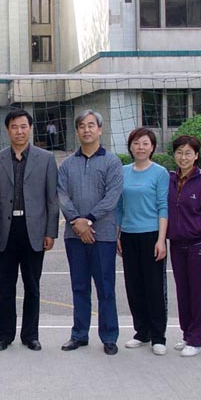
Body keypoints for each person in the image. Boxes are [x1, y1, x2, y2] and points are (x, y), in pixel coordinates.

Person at [0, 109, 59, 352]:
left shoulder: (46, 158)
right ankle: (4, 335)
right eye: (14, 127)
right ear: (7, 130)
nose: (19, 131)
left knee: (32, 286)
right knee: (6, 286)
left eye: (23, 126)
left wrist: (50, 232)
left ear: (30, 128)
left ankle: (31, 335)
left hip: (34, 231)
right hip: (6, 231)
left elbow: (52, 199)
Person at [57, 110, 123, 356]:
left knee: (105, 288)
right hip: (74, 235)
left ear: (100, 129)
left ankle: (109, 336)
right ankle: (79, 334)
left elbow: (112, 197)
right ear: (77, 131)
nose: (87, 130)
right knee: (79, 286)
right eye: (82, 126)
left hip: (103, 236)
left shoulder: (112, 162)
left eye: (91, 125)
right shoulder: (67, 164)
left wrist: (89, 220)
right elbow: (62, 195)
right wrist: (76, 221)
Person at [117, 127, 169, 356]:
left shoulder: (160, 173)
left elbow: (163, 207)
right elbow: (119, 207)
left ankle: (158, 336)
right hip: (129, 235)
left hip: (151, 235)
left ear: (152, 147)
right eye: (136, 143)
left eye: (145, 143)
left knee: (154, 287)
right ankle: (142, 332)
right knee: (134, 286)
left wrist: (161, 240)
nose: (140, 147)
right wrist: (118, 235)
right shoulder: (122, 172)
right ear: (130, 146)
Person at [168, 135, 201, 357]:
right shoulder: (169, 179)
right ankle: (187, 334)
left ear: (196, 156)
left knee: (199, 293)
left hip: (199, 243)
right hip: (176, 244)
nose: (183, 157)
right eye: (179, 152)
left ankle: (197, 339)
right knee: (183, 291)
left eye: (188, 153)